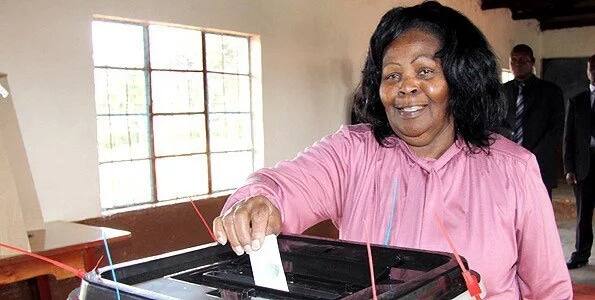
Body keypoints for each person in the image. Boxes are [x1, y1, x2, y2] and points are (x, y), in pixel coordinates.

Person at [213, 2, 572, 298]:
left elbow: (549, 289)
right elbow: (282, 186)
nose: (406, 88)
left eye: (425, 71)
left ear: (460, 81)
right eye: (392, 75)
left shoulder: (514, 168)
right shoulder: (354, 152)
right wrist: (257, 200)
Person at [502, 44, 565, 199]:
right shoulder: (501, 92)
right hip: (507, 164)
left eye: (523, 60)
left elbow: (556, 128)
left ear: (532, 62)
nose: (517, 64)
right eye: (513, 61)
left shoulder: (550, 91)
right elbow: (496, 125)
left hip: (539, 163)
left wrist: (531, 155)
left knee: (539, 216)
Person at [564, 54, 595, 270]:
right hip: (584, 166)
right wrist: (569, 168)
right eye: (592, 68)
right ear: (587, 71)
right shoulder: (578, 100)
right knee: (583, 214)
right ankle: (581, 254)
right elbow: (568, 137)